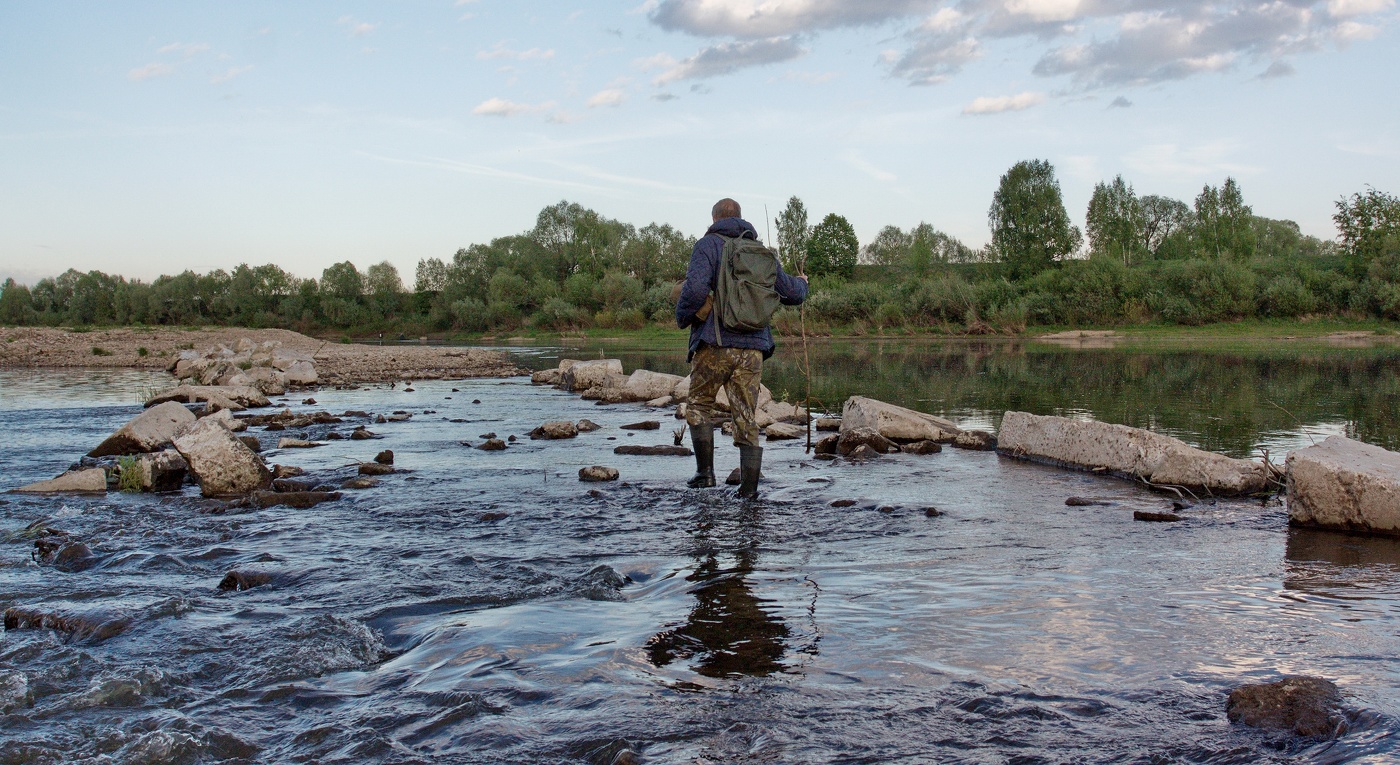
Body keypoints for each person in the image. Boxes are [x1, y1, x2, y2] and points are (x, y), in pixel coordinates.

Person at [675, 198, 808, 498]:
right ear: (740, 218)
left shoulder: (707, 246)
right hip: (752, 351)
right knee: (746, 416)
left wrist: (683, 318)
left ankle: (705, 474)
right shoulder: (762, 253)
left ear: (714, 218)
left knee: (699, 407)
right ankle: (749, 491)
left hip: (715, 344)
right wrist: (804, 283)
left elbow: (694, 290)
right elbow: (791, 292)